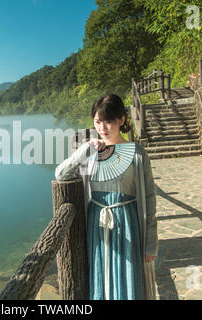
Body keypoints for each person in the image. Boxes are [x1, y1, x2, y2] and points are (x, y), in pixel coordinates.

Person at [55, 94, 158, 300]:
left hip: (127, 223)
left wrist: (151, 243)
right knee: (100, 278)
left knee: (127, 277)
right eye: (97, 121)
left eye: (108, 121)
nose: (103, 127)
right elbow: (60, 174)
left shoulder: (137, 153)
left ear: (121, 120)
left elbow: (149, 197)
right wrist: (84, 150)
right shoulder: (90, 153)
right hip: (96, 224)